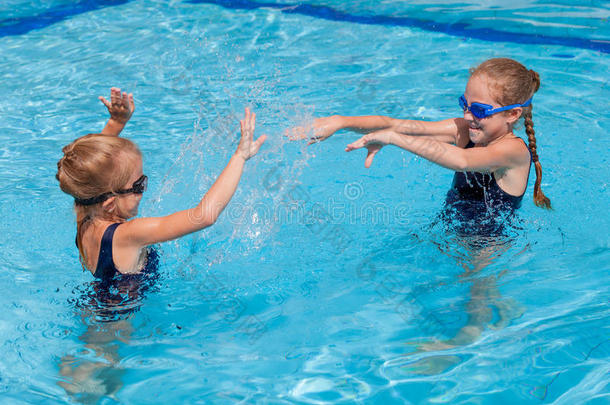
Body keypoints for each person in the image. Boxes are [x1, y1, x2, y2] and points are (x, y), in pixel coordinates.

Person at [289, 57, 551, 213]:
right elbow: (399, 123)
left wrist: (392, 138)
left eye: (480, 110)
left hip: (489, 245)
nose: (469, 116)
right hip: (451, 222)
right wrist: (341, 122)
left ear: (513, 114)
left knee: (477, 301)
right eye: (465, 104)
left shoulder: (513, 151)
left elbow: (462, 161)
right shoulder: (465, 129)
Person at [56, 88, 266, 281]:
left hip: (98, 308)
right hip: (123, 322)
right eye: (139, 185)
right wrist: (240, 156)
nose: (145, 189)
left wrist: (116, 123)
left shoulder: (84, 209)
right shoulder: (130, 234)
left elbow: (89, 170)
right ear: (110, 203)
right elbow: (204, 216)